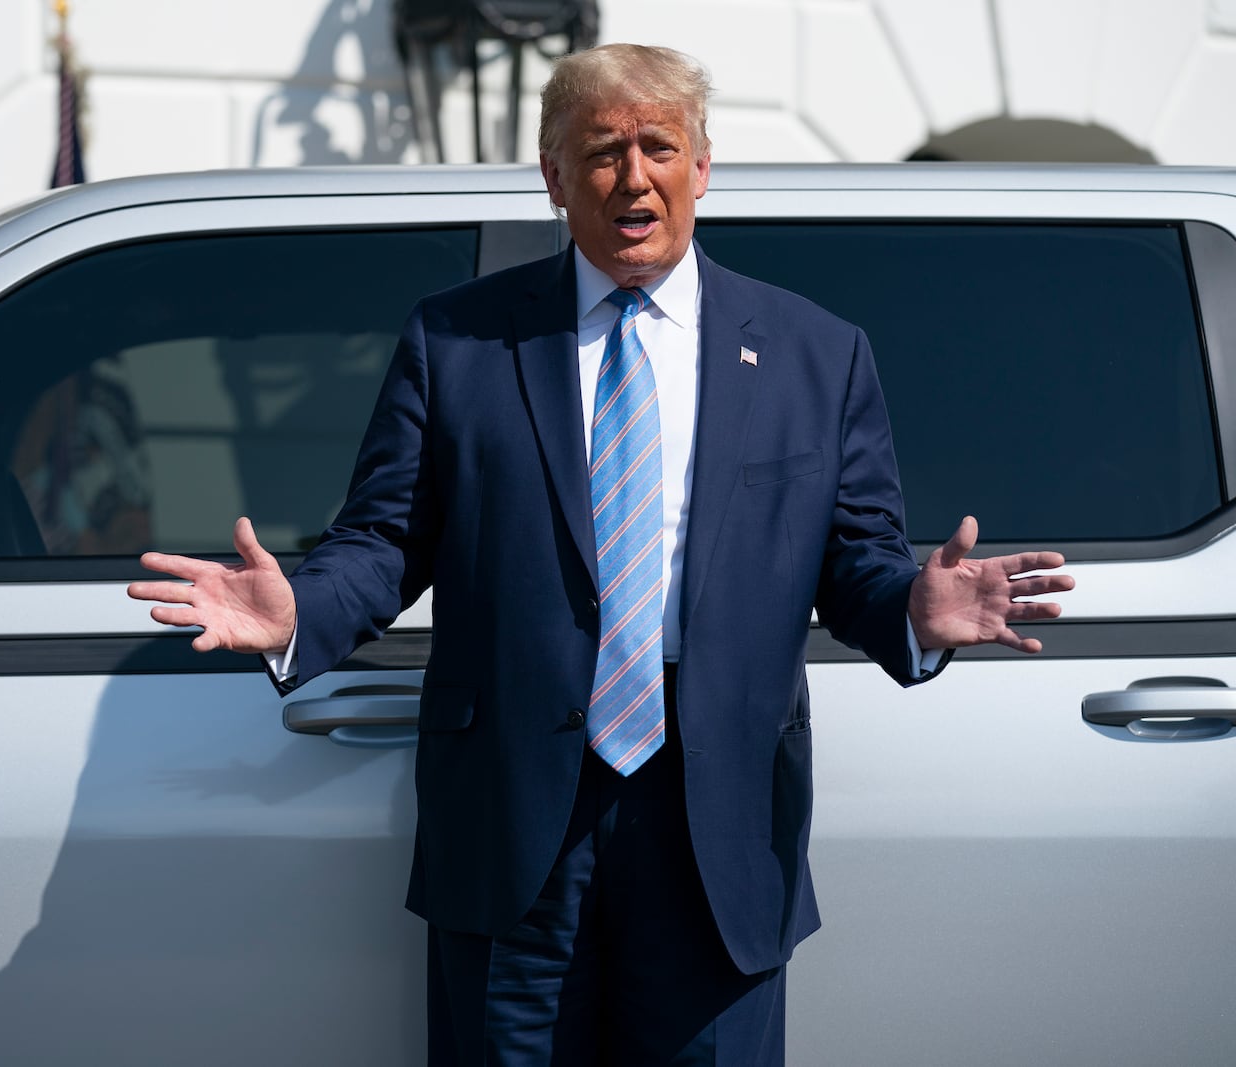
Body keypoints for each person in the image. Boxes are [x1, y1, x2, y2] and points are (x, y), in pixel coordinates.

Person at [128, 43, 1072, 1066]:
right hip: (514, 826)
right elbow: (384, 540)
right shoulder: (460, 341)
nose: (634, 177)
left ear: (701, 165)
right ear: (554, 177)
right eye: (603, 152)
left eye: (658, 146)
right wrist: (299, 614)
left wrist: (909, 611)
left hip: (717, 824)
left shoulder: (814, 351)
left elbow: (855, 561)